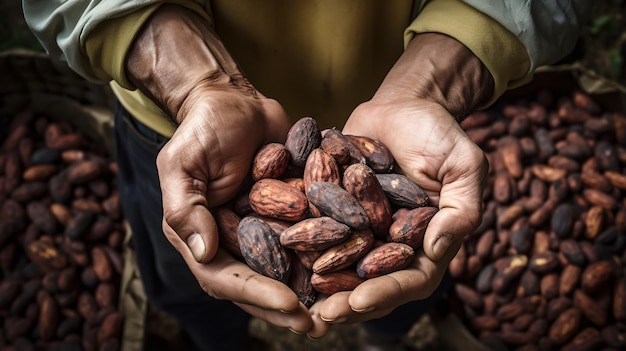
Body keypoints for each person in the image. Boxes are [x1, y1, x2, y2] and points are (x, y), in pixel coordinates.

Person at [23, 1, 590, 350]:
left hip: (396, 104)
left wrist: (432, 84)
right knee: (185, 274)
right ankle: (216, 342)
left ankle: (380, 338)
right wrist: (199, 84)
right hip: (187, 126)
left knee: (403, 281)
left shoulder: (350, 186)